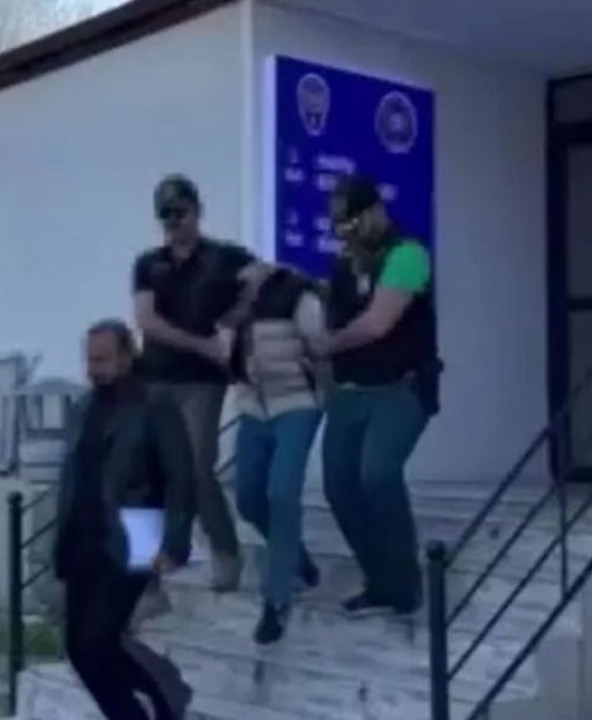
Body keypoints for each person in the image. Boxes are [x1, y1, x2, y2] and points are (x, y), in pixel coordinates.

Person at [131, 173, 268, 591]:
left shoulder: (223, 257)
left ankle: (225, 553)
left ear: (196, 210)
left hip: (201, 382)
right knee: (146, 470)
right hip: (155, 377)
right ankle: (150, 560)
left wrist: (235, 317)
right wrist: (203, 344)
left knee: (196, 467)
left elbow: (265, 276)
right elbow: (147, 320)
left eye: (180, 211)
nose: (174, 220)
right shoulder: (149, 264)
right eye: (165, 213)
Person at [53, 319, 194, 720]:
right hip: (81, 539)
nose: (92, 368)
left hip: (134, 537)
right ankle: (146, 707)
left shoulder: (154, 403)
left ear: (127, 357)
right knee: (79, 651)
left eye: (102, 359)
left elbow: (181, 477)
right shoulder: (82, 408)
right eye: (89, 359)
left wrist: (175, 542)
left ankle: (163, 695)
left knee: (98, 641)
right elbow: (72, 475)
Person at [321, 174, 442, 618]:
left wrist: (324, 345)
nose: (347, 235)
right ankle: (380, 581)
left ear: (374, 211)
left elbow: (378, 323)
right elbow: (330, 316)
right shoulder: (345, 263)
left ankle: (406, 584)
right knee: (339, 487)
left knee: (378, 474)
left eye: (353, 224)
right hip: (349, 392)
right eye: (340, 228)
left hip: (399, 388)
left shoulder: (408, 254)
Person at [227, 265, 329, 643]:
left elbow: (321, 349)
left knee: (282, 494)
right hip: (253, 408)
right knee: (248, 497)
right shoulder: (232, 311)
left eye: (246, 284)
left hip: (297, 404)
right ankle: (298, 560)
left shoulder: (297, 298)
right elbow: (228, 358)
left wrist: (321, 397)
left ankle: (277, 600)